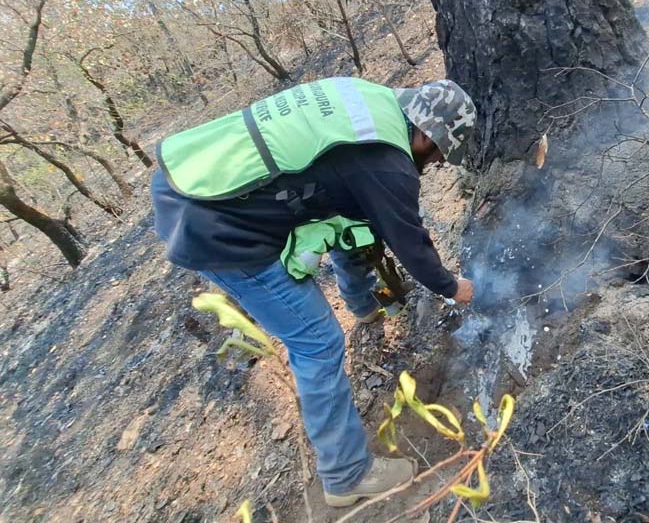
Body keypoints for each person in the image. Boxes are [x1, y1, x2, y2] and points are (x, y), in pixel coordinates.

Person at [150, 77, 476, 507]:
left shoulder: (369, 101)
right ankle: (346, 474)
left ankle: (363, 309)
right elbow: (408, 240)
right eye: (436, 155)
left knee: (339, 257)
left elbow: (347, 196)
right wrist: (452, 286)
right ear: (427, 134)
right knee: (318, 342)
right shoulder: (384, 163)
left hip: (194, 184)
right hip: (214, 228)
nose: (432, 164)